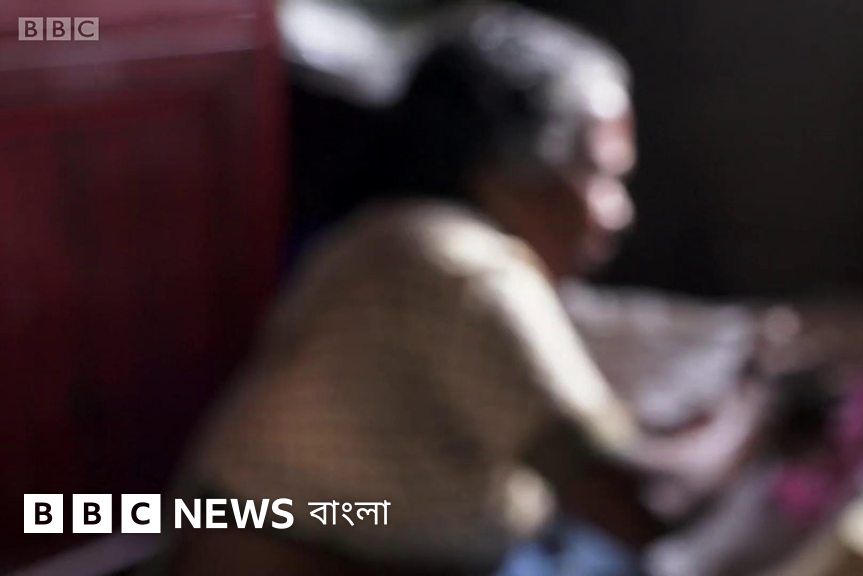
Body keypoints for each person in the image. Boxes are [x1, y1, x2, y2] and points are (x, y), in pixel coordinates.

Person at [165, 5, 680, 575]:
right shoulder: (459, 268)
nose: (618, 212)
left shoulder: (387, 236)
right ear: (509, 171)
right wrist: (742, 428)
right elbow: (633, 506)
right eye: (600, 176)